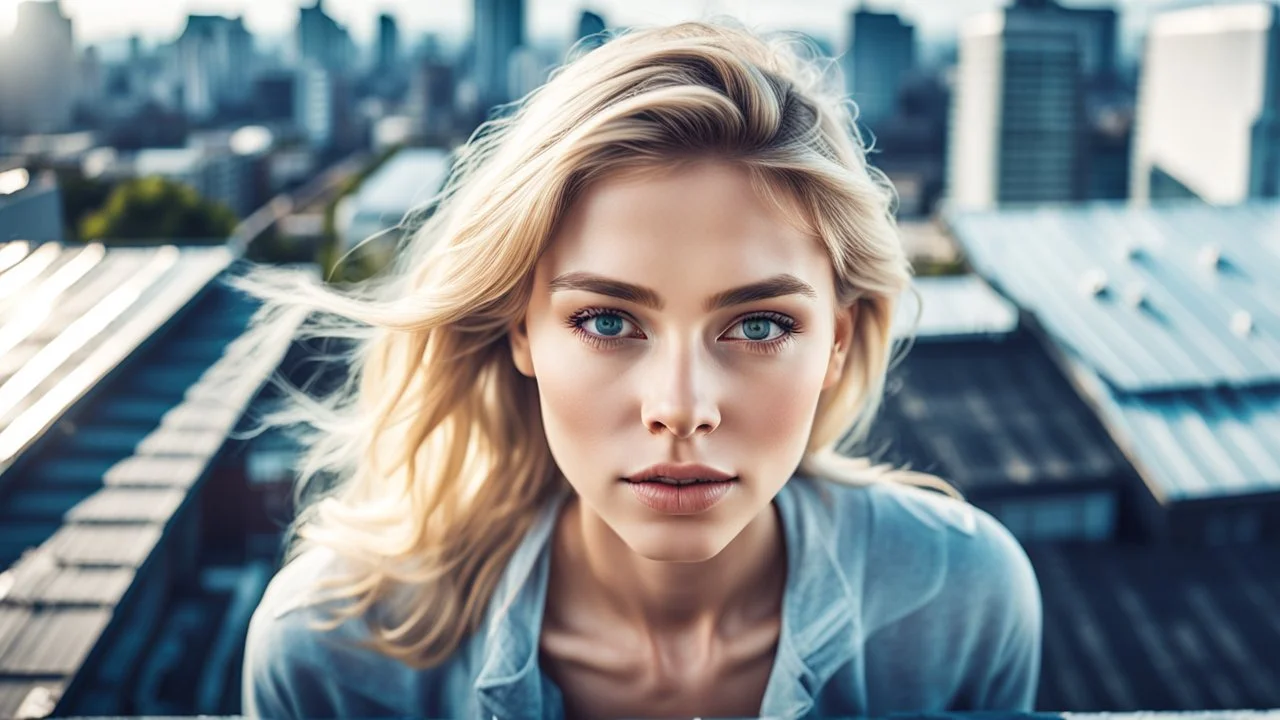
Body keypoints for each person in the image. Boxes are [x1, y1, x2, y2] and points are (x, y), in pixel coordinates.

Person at [239, 19, 1042, 720]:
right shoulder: (331, 655)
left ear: (839, 338)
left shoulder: (961, 606)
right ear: (522, 330)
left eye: (759, 324)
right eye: (608, 321)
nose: (680, 409)